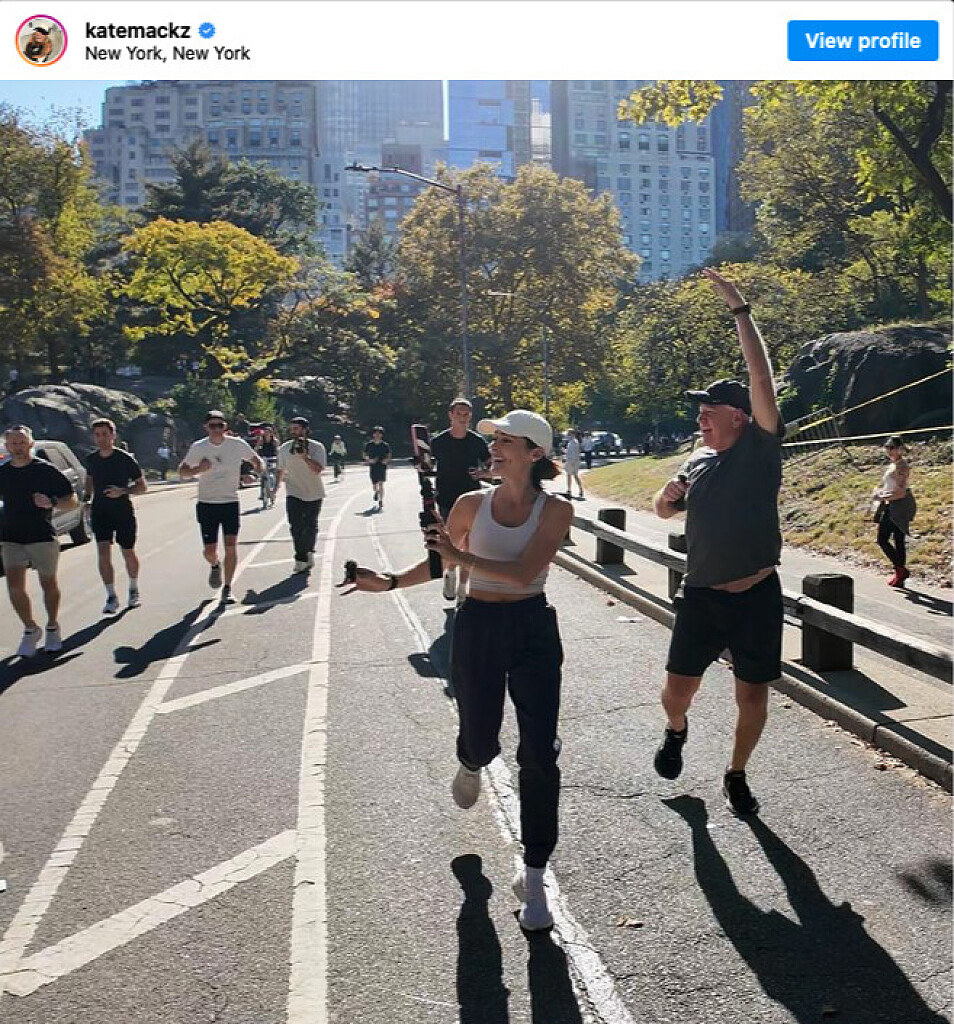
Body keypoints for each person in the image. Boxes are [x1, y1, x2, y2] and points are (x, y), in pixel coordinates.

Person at [342, 409, 573, 931]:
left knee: (540, 753)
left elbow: (523, 572)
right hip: (478, 626)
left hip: (533, 627)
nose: (494, 448)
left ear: (534, 453)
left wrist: (457, 555)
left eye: (505, 441)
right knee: (481, 737)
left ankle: (534, 875)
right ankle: (471, 760)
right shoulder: (471, 503)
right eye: (495, 440)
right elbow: (442, 560)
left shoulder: (556, 510)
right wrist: (391, 582)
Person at [651, 268, 784, 818]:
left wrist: (739, 310)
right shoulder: (699, 460)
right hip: (702, 595)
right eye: (700, 412)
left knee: (752, 694)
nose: (700, 418)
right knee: (676, 692)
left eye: (710, 412)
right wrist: (667, 495)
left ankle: (736, 774)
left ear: (739, 418)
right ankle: (676, 729)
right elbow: (664, 509)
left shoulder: (759, 450)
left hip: (756, 595)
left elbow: (761, 379)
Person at [0, 425, 78, 657]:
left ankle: (52, 626)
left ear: (31, 444)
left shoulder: (45, 470)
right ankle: (30, 628)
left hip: (41, 535)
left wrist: (51, 502)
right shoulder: (3, 472)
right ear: (7, 446)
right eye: (13, 443)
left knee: (48, 584)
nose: (18, 447)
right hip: (11, 537)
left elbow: (72, 501)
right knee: (15, 588)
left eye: (22, 442)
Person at [179, 410, 263, 605]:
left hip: (229, 502)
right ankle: (215, 565)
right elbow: (182, 471)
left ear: (225, 427)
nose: (216, 429)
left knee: (231, 546)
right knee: (209, 551)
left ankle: (227, 588)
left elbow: (257, 462)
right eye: (212, 426)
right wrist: (199, 469)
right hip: (207, 503)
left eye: (220, 425)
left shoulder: (237, 444)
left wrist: (254, 474)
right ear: (206, 427)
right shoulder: (199, 447)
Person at [429, 397, 491, 603]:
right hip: (447, 498)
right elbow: (427, 466)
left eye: (466, 414)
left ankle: (463, 588)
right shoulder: (438, 442)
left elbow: (491, 464)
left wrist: (483, 473)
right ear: (451, 415)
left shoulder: (477, 441)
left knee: (470, 545)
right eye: (459, 413)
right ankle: (450, 572)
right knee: (453, 543)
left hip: (472, 498)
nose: (463, 417)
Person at [84, 418, 147, 614]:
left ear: (113, 435)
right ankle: (111, 596)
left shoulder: (124, 459)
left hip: (122, 511)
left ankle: (134, 589)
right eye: (97, 435)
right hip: (100, 512)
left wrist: (123, 491)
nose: (101, 438)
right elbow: (89, 480)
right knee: (103, 552)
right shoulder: (91, 459)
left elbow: (142, 486)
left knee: (127, 551)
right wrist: (87, 500)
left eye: (105, 434)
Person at [276, 416, 327, 574]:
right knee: (296, 526)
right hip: (294, 491)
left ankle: (309, 551)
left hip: (314, 492)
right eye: (291, 429)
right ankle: (300, 558)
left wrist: (305, 457)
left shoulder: (317, 447)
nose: (293, 432)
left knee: (310, 526)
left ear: (305, 430)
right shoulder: (284, 448)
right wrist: (275, 487)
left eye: (296, 429)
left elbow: (318, 469)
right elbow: (280, 469)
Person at [872, 435, 916, 588]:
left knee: (882, 539)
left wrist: (881, 497)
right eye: (887, 447)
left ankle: (900, 570)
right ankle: (900, 573)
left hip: (899, 505)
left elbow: (901, 492)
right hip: (891, 503)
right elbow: (891, 486)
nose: (889, 450)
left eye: (892, 447)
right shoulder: (893, 464)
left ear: (900, 449)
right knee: (898, 540)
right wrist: (881, 492)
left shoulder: (901, 466)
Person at [363, 426, 391, 510]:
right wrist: (369, 460)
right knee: (374, 484)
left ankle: (381, 500)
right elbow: (365, 454)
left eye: (379, 433)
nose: (377, 435)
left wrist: (386, 460)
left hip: (382, 465)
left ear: (381, 435)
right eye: (376, 433)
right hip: (373, 466)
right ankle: (376, 492)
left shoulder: (385, 445)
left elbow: (389, 454)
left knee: (381, 483)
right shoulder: (369, 444)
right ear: (373, 434)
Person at [563, 430, 584, 499]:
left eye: (569, 434)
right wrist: (565, 451)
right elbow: (569, 452)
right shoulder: (570, 442)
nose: (568, 436)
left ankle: (580, 489)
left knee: (575, 476)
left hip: (573, 462)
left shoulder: (574, 442)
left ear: (572, 434)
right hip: (570, 461)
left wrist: (573, 461)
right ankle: (569, 490)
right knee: (569, 475)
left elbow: (575, 453)